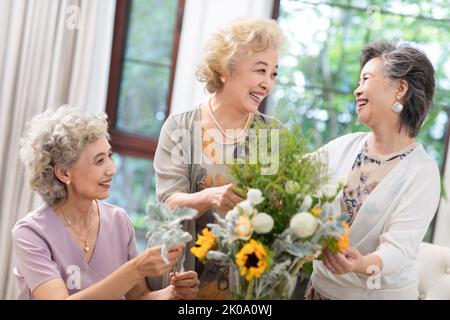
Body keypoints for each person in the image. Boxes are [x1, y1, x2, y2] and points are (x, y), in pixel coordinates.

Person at [152, 18, 285, 299]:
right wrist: (210, 197)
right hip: (186, 278)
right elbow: (168, 203)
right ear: (225, 70)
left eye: (273, 74)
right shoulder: (180, 128)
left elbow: (279, 211)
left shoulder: (272, 134)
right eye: (260, 70)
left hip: (245, 285)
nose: (267, 83)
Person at [12, 106, 199, 299]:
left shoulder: (118, 220)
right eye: (99, 161)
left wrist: (171, 293)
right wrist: (135, 268)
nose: (111, 169)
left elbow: (139, 296)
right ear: (64, 173)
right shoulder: (30, 233)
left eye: (109, 155)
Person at [305, 41, 440, 299]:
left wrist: (359, 265)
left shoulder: (422, 173)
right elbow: (295, 177)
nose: (357, 90)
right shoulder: (345, 146)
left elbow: (398, 250)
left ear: (400, 89)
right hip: (320, 291)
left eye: (365, 79)